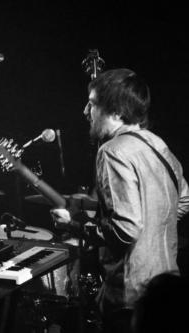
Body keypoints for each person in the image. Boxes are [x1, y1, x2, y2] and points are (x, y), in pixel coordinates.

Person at [51, 68, 189, 333]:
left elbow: (126, 229)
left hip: (130, 297)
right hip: (166, 291)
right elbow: (183, 200)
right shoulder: (159, 146)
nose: (85, 111)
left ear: (115, 111)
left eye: (91, 104)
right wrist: (150, 228)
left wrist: (76, 226)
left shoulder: (112, 152)